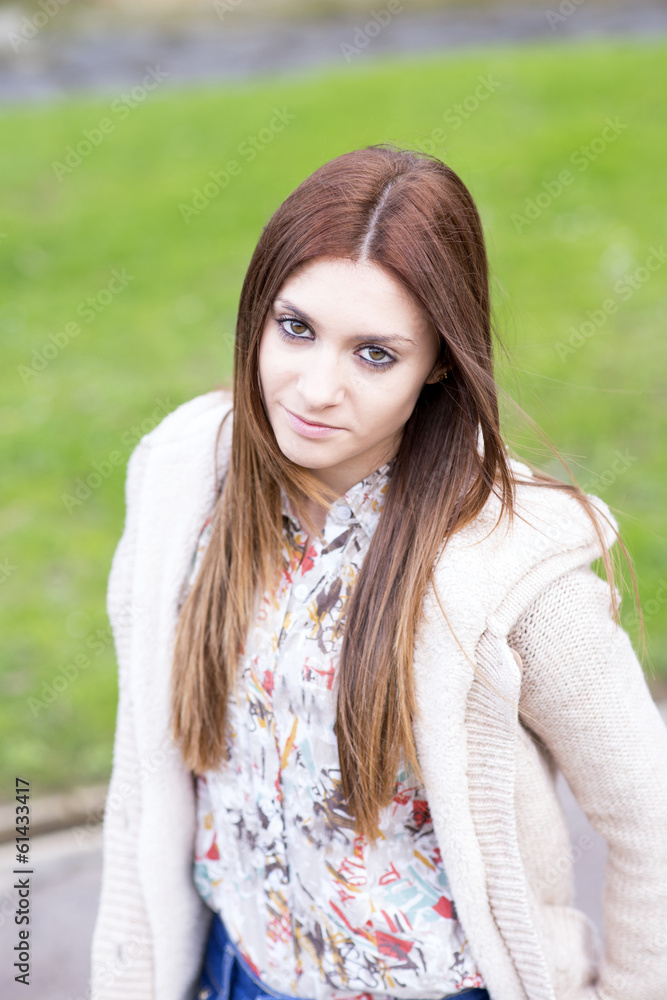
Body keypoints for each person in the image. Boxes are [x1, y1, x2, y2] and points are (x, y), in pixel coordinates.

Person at [89, 144, 667, 1000]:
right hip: (232, 970)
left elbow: (647, 821)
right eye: (296, 329)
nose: (316, 389)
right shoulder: (181, 481)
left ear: (438, 361)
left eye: (374, 354)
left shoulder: (511, 570)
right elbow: (147, 770)